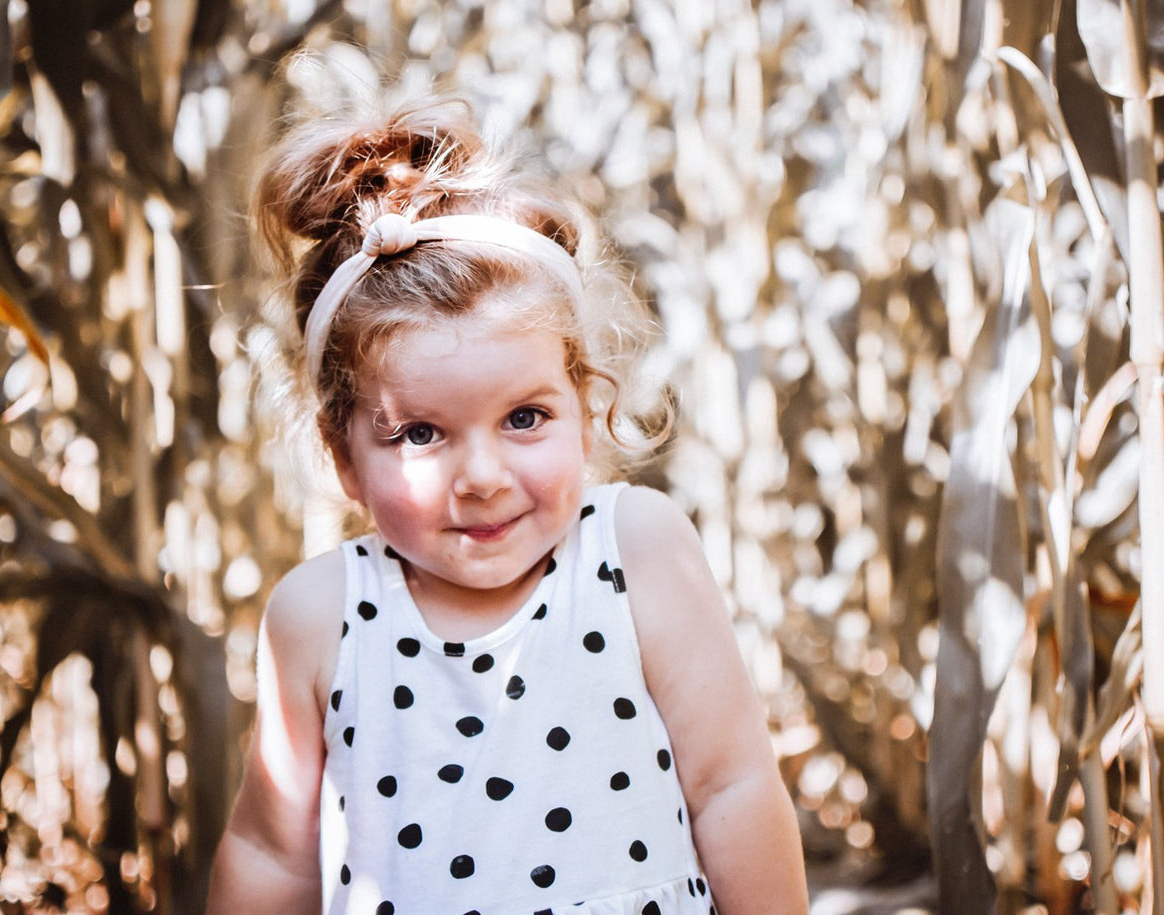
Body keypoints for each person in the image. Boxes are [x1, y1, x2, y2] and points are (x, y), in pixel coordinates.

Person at [206, 94, 808, 915]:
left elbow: (732, 787)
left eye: (525, 418)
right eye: (421, 433)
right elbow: (270, 852)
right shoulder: (320, 614)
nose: (481, 476)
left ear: (588, 409)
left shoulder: (636, 550)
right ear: (342, 453)